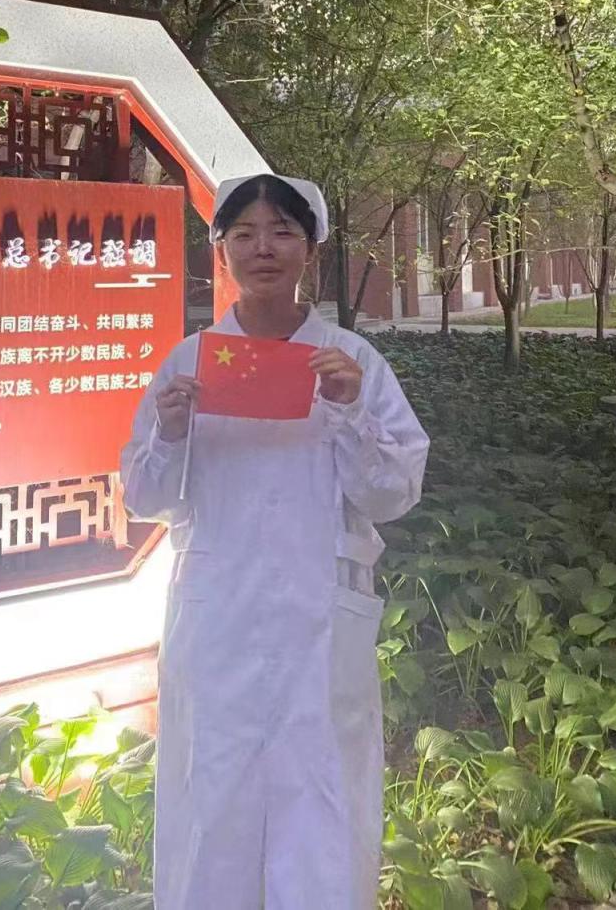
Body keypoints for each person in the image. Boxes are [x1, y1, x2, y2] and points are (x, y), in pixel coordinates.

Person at [121, 173, 430, 910]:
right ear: (221, 250)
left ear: (310, 250)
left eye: (283, 232)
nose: (264, 248)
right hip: (217, 616)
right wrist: (170, 431)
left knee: (322, 795)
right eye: (245, 234)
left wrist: (349, 411)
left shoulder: (352, 362)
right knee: (211, 795)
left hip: (317, 619)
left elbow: (393, 495)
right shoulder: (189, 361)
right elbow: (141, 497)